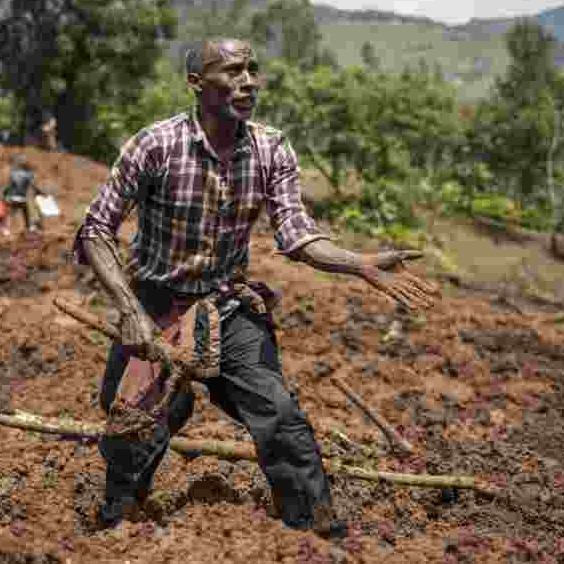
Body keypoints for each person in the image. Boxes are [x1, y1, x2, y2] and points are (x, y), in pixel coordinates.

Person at [73, 39, 438, 537]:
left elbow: (298, 234)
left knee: (280, 415)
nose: (248, 81)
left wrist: (360, 264)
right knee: (135, 426)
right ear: (197, 84)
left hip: (227, 306)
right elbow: (96, 229)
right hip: (156, 302)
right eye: (232, 71)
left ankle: (315, 527)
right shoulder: (156, 144)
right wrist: (130, 311)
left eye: (252, 70)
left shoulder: (271, 147)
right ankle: (118, 523)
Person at [1, 156, 43, 235]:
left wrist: (4, 195)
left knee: (10, 214)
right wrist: (40, 192)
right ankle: (28, 227)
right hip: (22, 198)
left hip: (13, 198)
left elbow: (9, 186)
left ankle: (6, 229)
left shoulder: (13, 173)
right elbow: (33, 186)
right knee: (26, 213)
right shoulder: (28, 175)